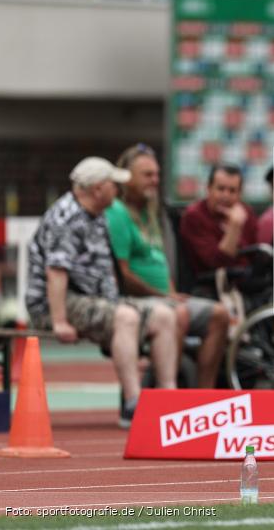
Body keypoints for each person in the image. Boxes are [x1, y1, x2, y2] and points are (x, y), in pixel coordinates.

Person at [25, 157, 180, 427]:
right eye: (113, 185)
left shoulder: (97, 215)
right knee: (126, 318)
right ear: (97, 189)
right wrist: (59, 321)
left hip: (97, 300)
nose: (118, 191)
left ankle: (169, 397)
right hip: (56, 303)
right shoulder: (66, 218)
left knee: (164, 316)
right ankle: (133, 403)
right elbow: (56, 272)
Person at [107, 144, 230, 389]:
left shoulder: (151, 212)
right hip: (134, 302)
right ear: (126, 178)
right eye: (147, 175)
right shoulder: (117, 212)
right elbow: (123, 274)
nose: (155, 180)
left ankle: (202, 396)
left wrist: (171, 293)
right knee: (178, 313)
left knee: (219, 315)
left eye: (156, 174)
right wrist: (165, 296)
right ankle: (164, 394)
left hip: (164, 297)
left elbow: (160, 264)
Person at [179, 163, 258, 295]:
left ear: (240, 194)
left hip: (249, 283)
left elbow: (255, 256)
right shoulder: (194, 216)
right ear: (209, 189)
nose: (226, 196)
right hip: (213, 288)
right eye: (221, 189)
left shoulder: (246, 212)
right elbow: (217, 264)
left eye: (232, 191)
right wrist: (234, 227)